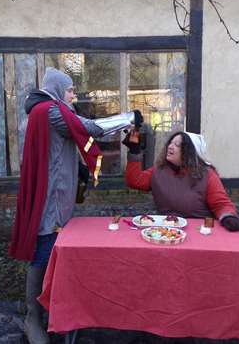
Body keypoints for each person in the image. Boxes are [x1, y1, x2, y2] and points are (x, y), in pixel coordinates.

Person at [8, 67, 143, 344]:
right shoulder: (50, 111)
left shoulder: (49, 110)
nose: (73, 94)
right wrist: (129, 118)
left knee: (57, 252)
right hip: (51, 200)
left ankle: (55, 310)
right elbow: (88, 129)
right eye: (70, 89)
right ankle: (32, 318)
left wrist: (79, 169)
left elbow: (64, 144)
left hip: (58, 194)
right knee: (44, 251)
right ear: (57, 89)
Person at [123, 131, 239, 231]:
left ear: (189, 152)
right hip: (166, 231)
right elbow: (135, 181)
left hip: (200, 231)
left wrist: (228, 217)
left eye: (177, 145)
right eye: (170, 143)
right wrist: (134, 152)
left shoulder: (207, 175)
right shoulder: (158, 171)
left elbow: (221, 205)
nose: (170, 146)